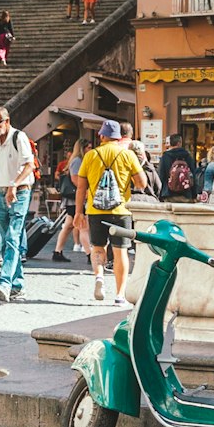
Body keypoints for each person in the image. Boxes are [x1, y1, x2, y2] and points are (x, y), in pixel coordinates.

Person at [75, 120, 146, 307]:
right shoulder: (127, 154)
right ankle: (120, 295)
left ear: (102, 136)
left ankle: (99, 277)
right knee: (120, 251)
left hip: (95, 210)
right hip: (120, 211)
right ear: (119, 137)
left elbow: (81, 188)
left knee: (98, 247)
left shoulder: (91, 155)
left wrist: (78, 213)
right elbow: (142, 183)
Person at [0, 106, 35, 303]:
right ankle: (18, 285)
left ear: (7, 120)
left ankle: (4, 282)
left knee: (13, 237)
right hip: (0, 193)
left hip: (20, 192)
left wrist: (15, 184)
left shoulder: (18, 137)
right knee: (7, 241)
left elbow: (30, 164)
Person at [53, 137, 92, 262]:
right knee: (83, 226)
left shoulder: (77, 160)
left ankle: (57, 251)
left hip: (73, 199)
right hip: (75, 198)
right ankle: (89, 254)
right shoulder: (77, 161)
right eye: (89, 147)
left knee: (69, 226)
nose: (91, 150)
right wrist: (85, 193)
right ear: (83, 148)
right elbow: (76, 180)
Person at [158, 133, 196, 201]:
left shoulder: (165, 157)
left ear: (170, 143)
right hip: (186, 193)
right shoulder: (187, 156)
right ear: (179, 143)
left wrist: (160, 194)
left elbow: (161, 176)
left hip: (168, 194)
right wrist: (194, 194)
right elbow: (193, 175)